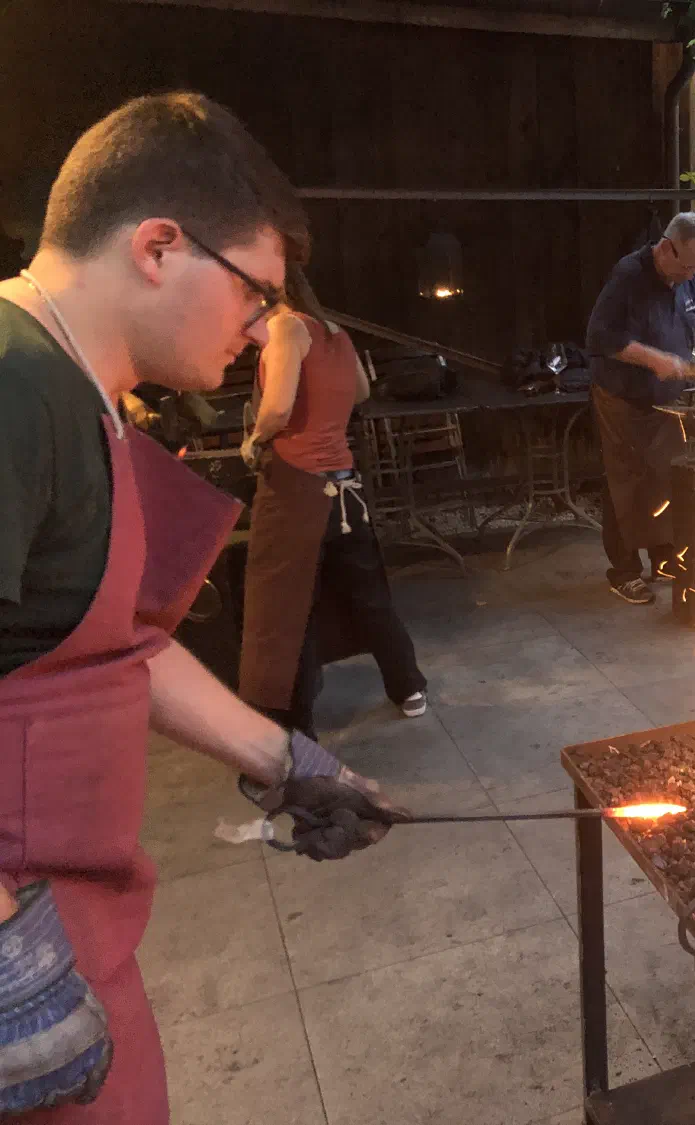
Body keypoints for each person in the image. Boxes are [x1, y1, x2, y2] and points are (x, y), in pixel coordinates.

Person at [0, 93, 403, 1122]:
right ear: (158, 247)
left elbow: (118, 645)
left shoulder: (86, 395)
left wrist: (285, 761)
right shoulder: (13, 385)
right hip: (24, 955)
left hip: (78, 926)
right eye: (257, 293)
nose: (266, 326)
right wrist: (8, 966)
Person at [239, 265, 427, 736]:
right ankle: (408, 688)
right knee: (370, 595)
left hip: (297, 489)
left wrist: (255, 440)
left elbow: (278, 408)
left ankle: (294, 726)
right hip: (345, 483)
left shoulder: (286, 326)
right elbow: (361, 391)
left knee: (288, 606)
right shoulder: (336, 333)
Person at [586, 211, 695, 605]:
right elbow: (601, 337)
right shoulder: (628, 277)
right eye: (685, 266)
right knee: (627, 483)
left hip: (668, 403)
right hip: (623, 398)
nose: (690, 275)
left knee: (665, 479)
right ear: (666, 248)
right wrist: (655, 360)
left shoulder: (685, 277)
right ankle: (624, 571)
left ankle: (663, 555)